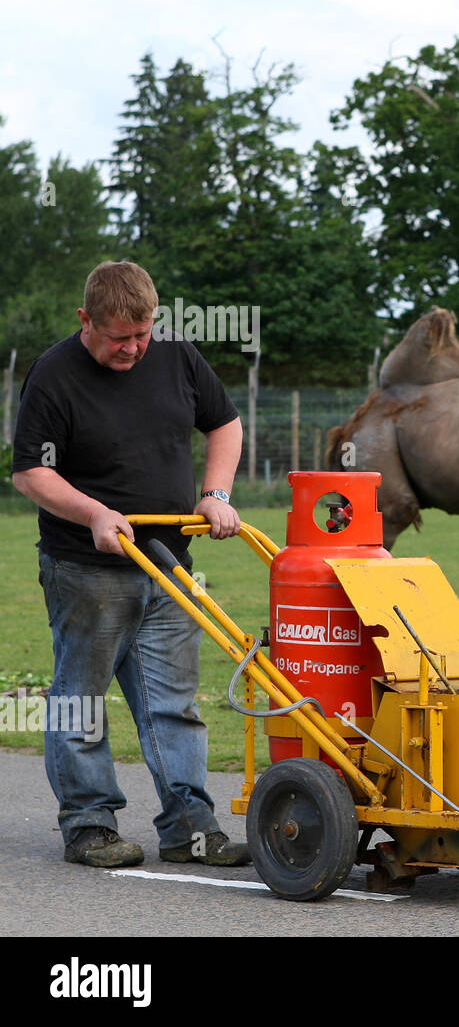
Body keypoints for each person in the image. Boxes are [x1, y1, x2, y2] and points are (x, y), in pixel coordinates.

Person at [10, 261, 250, 868]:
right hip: (86, 570)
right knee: (81, 699)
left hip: (169, 561)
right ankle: (90, 825)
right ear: (86, 320)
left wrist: (216, 494)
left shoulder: (175, 354)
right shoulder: (53, 374)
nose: (134, 348)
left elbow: (224, 423)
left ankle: (191, 828)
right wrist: (93, 513)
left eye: (143, 334)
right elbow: (30, 472)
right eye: (119, 337)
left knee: (175, 703)